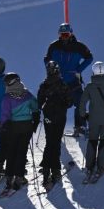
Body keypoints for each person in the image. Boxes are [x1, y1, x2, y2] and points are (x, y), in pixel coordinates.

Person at [43, 23, 93, 135]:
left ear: (71, 33)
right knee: (57, 105)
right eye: (62, 35)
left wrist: (79, 69)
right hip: (57, 82)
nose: (64, 37)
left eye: (66, 34)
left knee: (80, 102)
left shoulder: (79, 46)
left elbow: (89, 58)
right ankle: (56, 127)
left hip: (72, 81)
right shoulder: (54, 46)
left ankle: (80, 127)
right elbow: (46, 58)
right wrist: (51, 70)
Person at [0, 72, 40, 192]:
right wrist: (35, 122)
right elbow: (35, 108)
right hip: (26, 126)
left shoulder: (7, 97)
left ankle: (9, 176)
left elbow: (5, 114)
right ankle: (19, 177)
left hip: (13, 127)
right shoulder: (27, 94)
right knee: (22, 151)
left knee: (11, 151)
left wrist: (3, 127)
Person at [36, 60, 73, 190]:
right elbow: (69, 102)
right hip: (60, 117)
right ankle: (55, 170)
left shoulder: (44, 85)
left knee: (49, 142)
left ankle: (46, 172)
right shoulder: (63, 84)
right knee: (56, 142)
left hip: (48, 117)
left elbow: (39, 103)